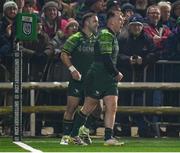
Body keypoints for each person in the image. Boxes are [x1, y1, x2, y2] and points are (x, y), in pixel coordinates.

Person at [69, 10, 124, 146]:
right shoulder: (105, 34)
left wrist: (113, 73)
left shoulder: (112, 35)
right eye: (120, 19)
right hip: (99, 74)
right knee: (89, 107)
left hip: (108, 76)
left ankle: (108, 138)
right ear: (111, 21)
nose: (122, 21)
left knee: (112, 105)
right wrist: (116, 72)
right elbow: (106, 57)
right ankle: (73, 135)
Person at [60, 12, 99, 145]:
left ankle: (80, 132)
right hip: (77, 80)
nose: (97, 24)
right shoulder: (75, 38)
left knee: (95, 110)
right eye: (95, 21)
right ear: (87, 23)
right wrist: (72, 69)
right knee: (71, 108)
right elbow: (63, 54)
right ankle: (66, 137)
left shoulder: (97, 39)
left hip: (92, 81)